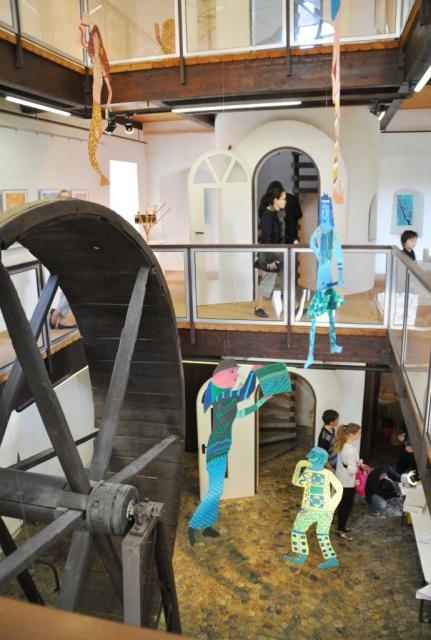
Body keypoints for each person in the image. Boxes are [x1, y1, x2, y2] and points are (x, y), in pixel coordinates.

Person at [188, 360, 289, 545]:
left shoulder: (227, 402)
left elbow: (242, 413)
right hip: (216, 449)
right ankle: (193, 527)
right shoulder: (223, 397)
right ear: (221, 376)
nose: (236, 375)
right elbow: (244, 392)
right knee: (214, 492)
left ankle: (208, 526)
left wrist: (262, 400)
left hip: (222, 448)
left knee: (216, 492)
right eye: (233, 371)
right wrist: (253, 373)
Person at [284, 447, 343, 570]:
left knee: (299, 531)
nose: (309, 459)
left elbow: (339, 489)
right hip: (320, 511)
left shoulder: (318, 473)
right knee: (320, 534)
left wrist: (331, 507)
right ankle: (329, 559)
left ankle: (303, 556)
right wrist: (331, 507)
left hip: (312, 510)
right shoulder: (322, 473)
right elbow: (339, 489)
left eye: (311, 457)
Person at [304, 194, 344, 368]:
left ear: (331, 211)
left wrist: (341, 274)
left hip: (329, 274)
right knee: (315, 316)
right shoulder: (320, 229)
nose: (325, 212)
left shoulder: (333, 232)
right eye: (323, 210)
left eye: (327, 209)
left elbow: (339, 254)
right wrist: (316, 253)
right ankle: (310, 354)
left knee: (330, 313)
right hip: (322, 274)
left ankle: (333, 344)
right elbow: (311, 242)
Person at [254, 186, 287, 318]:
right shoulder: (268, 216)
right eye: (283, 199)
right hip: (270, 255)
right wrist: (272, 259)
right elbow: (266, 240)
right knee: (267, 281)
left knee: (282, 281)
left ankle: (290, 307)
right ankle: (259, 307)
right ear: (275, 200)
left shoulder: (279, 214)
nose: (285, 201)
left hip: (279, 253)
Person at [49, 189, 76, 330]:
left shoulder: (72, 216)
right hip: (61, 254)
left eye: (67, 197)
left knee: (68, 287)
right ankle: (56, 316)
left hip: (72, 253)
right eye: (63, 197)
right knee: (71, 287)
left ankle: (58, 316)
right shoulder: (55, 216)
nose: (65, 199)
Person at [334, 423, 366, 541]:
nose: (360, 435)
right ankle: (340, 529)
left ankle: (342, 526)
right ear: (352, 434)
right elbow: (352, 470)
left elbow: (346, 463)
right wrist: (359, 466)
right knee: (346, 506)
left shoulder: (343, 444)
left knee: (343, 504)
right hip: (347, 482)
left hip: (341, 478)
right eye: (359, 433)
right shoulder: (351, 450)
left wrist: (357, 464)